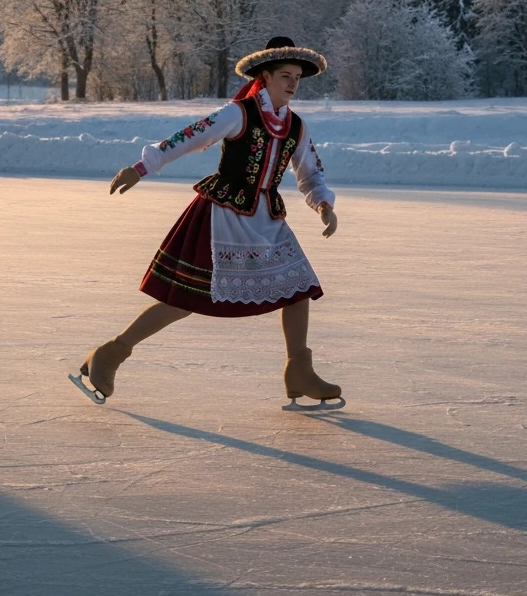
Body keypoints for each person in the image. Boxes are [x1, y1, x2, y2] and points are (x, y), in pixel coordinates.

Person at [74, 37, 342, 409]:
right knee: (184, 299)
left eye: (297, 77)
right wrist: (142, 167)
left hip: (267, 218)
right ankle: (111, 353)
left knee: (299, 287)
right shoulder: (238, 113)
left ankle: (299, 369)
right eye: (285, 75)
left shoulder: (296, 126)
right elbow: (189, 138)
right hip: (222, 216)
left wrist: (323, 205)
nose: (293, 84)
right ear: (264, 77)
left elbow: (310, 173)